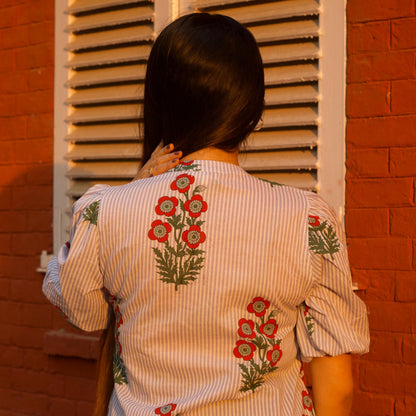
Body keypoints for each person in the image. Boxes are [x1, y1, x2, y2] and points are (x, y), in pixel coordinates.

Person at [43, 12, 369, 416]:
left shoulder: (105, 211)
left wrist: (131, 189)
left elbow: (83, 309)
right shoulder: (309, 220)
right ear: (251, 109)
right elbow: (335, 388)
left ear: (160, 101)